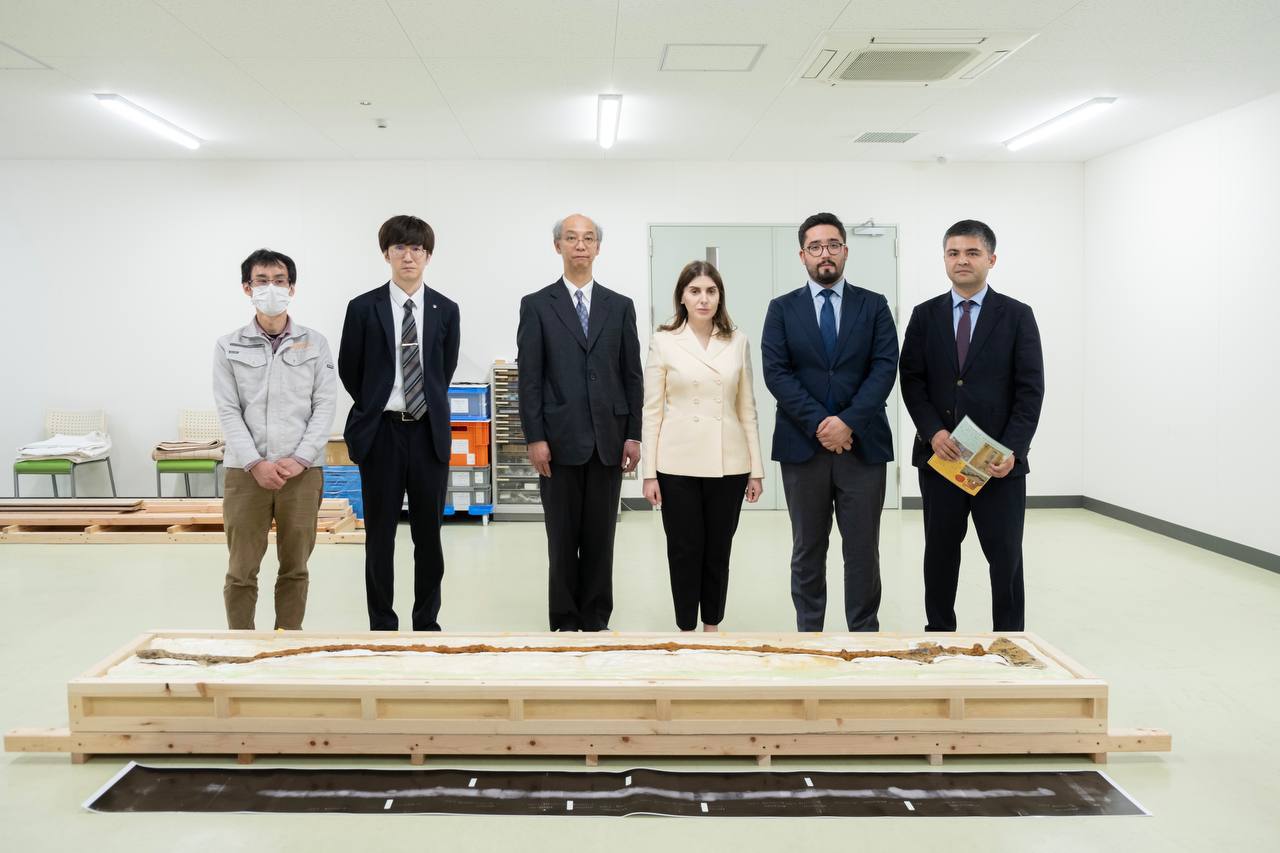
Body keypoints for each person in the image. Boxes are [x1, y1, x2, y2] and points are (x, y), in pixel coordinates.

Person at [899, 219, 1044, 631]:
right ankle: (940, 633)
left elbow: (1030, 390)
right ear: (944, 258)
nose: (962, 260)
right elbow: (912, 379)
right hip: (943, 456)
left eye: (972, 252)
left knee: (1005, 557)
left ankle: (1010, 637)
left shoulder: (1016, 316)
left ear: (991, 259)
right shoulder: (924, 316)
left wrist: (1011, 450)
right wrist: (934, 432)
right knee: (940, 552)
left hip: (997, 464)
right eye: (953, 253)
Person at [761, 212, 898, 632]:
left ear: (845, 251)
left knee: (862, 549)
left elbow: (884, 367)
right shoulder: (782, 309)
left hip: (863, 447)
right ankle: (810, 634)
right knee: (807, 548)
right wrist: (822, 423)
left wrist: (848, 423)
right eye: (816, 247)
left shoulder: (873, 306)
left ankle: (863, 635)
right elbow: (776, 372)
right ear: (802, 255)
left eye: (833, 245)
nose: (826, 254)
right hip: (803, 448)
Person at [516, 213, 644, 631]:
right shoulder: (537, 305)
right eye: (571, 238)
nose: (580, 246)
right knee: (562, 538)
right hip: (558, 441)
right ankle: (564, 621)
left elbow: (631, 375)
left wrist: (633, 434)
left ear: (598, 248)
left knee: (601, 539)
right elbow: (529, 378)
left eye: (588, 238)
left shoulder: (619, 306)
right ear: (558, 246)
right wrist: (534, 437)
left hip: (608, 441)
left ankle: (596, 619)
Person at [338, 215, 460, 631]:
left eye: (417, 249)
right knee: (381, 537)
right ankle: (382, 623)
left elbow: (443, 370)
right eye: (400, 248)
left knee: (429, 537)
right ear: (386, 254)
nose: (408, 257)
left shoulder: (446, 309)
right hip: (382, 434)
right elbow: (349, 369)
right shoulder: (362, 308)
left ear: (428, 255)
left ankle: (426, 622)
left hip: (428, 434)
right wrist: (376, 404)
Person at [213, 248, 336, 630]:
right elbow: (228, 409)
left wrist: (300, 458)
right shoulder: (228, 345)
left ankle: (287, 644)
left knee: (295, 568)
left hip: (301, 474)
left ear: (292, 289)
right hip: (245, 474)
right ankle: (241, 646)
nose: (271, 288)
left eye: (279, 281)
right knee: (240, 571)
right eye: (262, 281)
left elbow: (325, 406)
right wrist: (255, 462)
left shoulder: (315, 343)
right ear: (247, 288)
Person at [641, 261, 764, 632]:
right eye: (695, 291)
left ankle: (712, 625)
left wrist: (755, 470)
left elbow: (747, 408)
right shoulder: (663, 340)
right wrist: (648, 474)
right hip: (676, 462)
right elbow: (652, 411)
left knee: (718, 550)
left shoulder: (736, 340)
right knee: (683, 549)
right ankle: (686, 628)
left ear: (720, 296)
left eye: (711, 291)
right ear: (682, 296)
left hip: (728, 462)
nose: (703, 298)